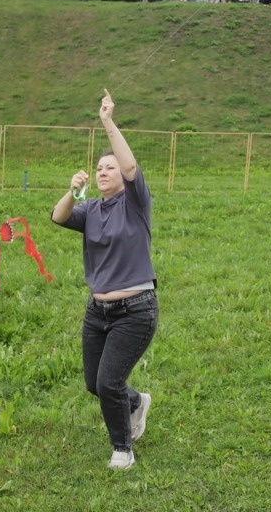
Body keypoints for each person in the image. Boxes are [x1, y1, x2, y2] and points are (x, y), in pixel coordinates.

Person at [51, 89, 158, 471]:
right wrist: (71, 190)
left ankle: (122, 449)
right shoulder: (90, 209)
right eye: (98, 168)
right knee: (95, 384)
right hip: (97, 311)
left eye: (108, 168)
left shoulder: (135, 202)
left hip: (136, 309)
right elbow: (59, 217)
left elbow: (130, 167)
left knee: (109, 381)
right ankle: (136, 402)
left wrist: (108, 122)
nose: (102, 172)